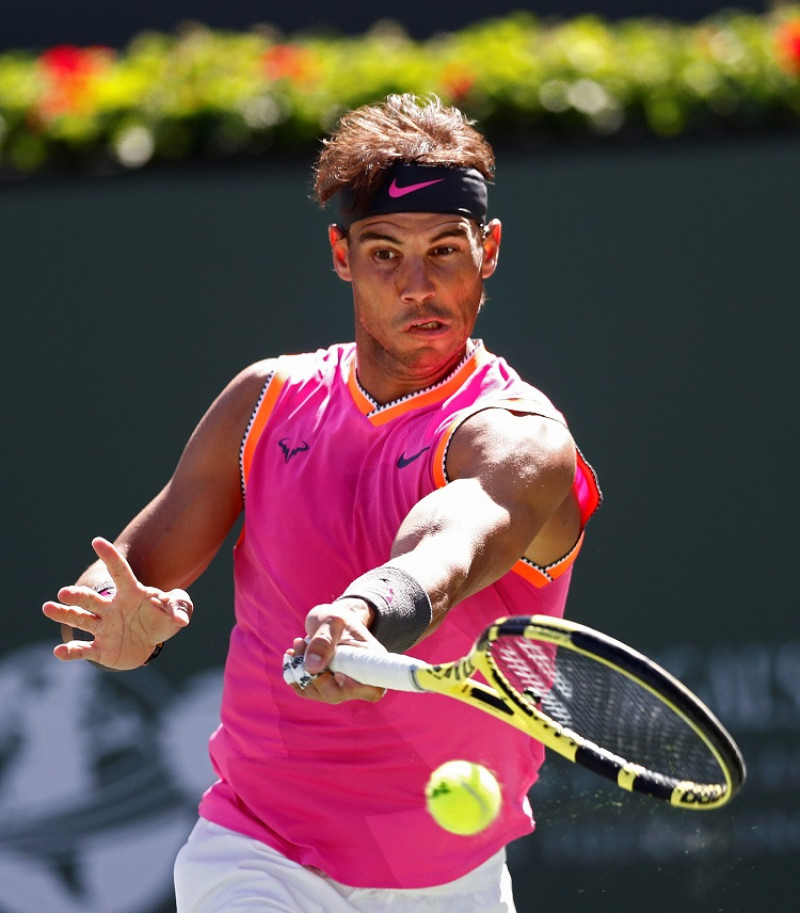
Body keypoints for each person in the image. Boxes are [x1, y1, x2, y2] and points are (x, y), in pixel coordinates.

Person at [43, 93, 600, 912]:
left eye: (446, 250)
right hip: (258, 852)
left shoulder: (522, 438)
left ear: (490, 249)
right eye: (385, 253)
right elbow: (122, 581)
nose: (420, 286)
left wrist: (372, 609)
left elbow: (451, 540)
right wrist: (112, 625)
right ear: (341, 254)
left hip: (455, 882)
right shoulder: (263, 402)